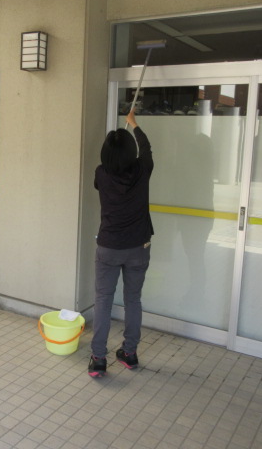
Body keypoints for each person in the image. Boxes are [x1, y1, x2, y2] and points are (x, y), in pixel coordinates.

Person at [88, 107, 154, 377]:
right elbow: (146, 149)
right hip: (139, 247)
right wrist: (133, 124)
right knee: (133, 300)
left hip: (109, 247)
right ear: (131, 153)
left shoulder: (101, 174)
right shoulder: (142, 170)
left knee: (103, 300)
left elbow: (101, 181)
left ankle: (98, 359)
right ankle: (130, 353)